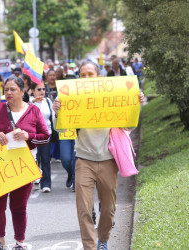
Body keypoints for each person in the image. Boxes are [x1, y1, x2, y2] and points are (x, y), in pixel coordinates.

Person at [53, 61, 144, 250]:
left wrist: (137, 104)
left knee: (109, 208)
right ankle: (90, 247)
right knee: (84, 209)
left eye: (90, 74)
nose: (86, 78)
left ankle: (103, 238)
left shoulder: (111, 97)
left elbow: (128, 126)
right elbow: (60, 128)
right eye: (83, 74)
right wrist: (57, 111)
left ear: (99, 78)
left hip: (108, 161)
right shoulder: (71, 99)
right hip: (83, 160)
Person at [0, 76, 49, 250]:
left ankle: (19, 242)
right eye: (6, 89)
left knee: (18, 206)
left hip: (23, 165)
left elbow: (45, 136)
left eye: (13, 89)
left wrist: (29, 136)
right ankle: (0, 241)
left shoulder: (33, 111)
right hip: (0, 165)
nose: (9, 93)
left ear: (22, 91)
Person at [29, 81, 53, 193]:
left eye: (43, 89)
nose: (42, 91)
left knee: (45, 159)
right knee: (34, 158)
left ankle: (46, 183)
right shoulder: (28, 102)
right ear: (33, 91)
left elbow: (53, 116)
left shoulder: (48, 101)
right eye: (39, 89)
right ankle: (35, 177)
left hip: (46, 133)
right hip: (32, 135)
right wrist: (33, 102)